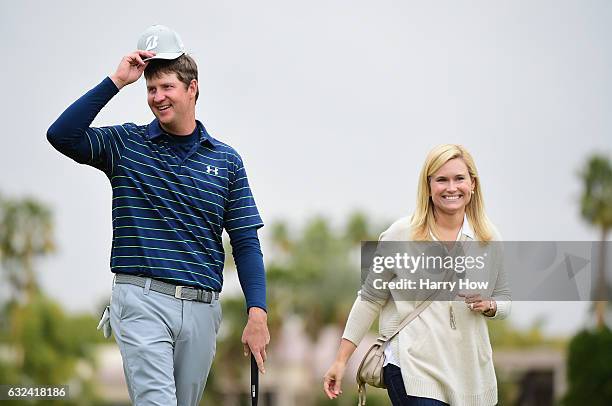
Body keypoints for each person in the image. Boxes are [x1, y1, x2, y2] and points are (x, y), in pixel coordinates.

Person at [47, 25, 270, 405]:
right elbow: (62, 135)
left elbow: (246, 242)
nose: (157, 97)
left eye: (166, 87)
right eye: (151, 89)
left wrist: (257, 313)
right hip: (141, 300)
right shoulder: (125, 144)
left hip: (202, 309)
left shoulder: (226, 160)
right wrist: (117, 80)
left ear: (192, 88)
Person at [323, 144, 511, 405]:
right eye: (441, 180)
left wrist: (490, 306)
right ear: (428, 186)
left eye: (459, 178)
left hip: (467, 370)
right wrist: (341, 360)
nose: (451, 187)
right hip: (411, 366)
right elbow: (369, 298)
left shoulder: (488, 238)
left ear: (473, 185)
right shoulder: (401, 234)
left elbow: (505, 299)